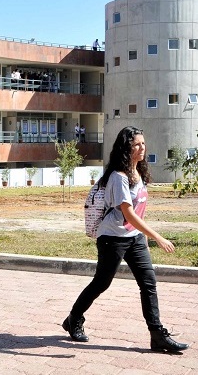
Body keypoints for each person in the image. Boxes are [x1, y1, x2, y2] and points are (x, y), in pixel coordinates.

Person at [62, 126, 189, 353]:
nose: (142, 148)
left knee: (148, 283)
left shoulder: (139, 173)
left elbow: (139, 212)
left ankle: (157, 335)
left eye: (143, 143)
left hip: (134, 238)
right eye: (136, 145)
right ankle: (74, 318)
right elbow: (128, 212)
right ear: (126, 148)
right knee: (101, 283)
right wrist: (157, 237)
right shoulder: (118, 177)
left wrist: (143, 240)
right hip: (112, 238)